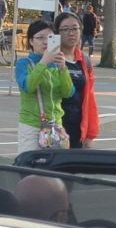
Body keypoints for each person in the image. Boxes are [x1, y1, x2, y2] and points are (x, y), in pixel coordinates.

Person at [14, 19, 74, 152]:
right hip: (32, 126)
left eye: (50, 38)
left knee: (51, 166)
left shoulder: (58, 64)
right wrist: (44, 62)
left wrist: (63, 69)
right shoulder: (24, 63)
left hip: (53, 127)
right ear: (31, 41)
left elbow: (68, 92)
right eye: (40, 38)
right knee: (29, 165)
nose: (46, 42)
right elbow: (28, 86)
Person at [55, 12, 100, 149]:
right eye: (65, 29)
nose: (71, 33)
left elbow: (89, 97)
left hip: (78, 128)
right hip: (55, 127)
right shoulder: (51, 58)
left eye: (75, 28)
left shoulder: (84, 60)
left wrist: (90, 134)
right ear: (57, 33)